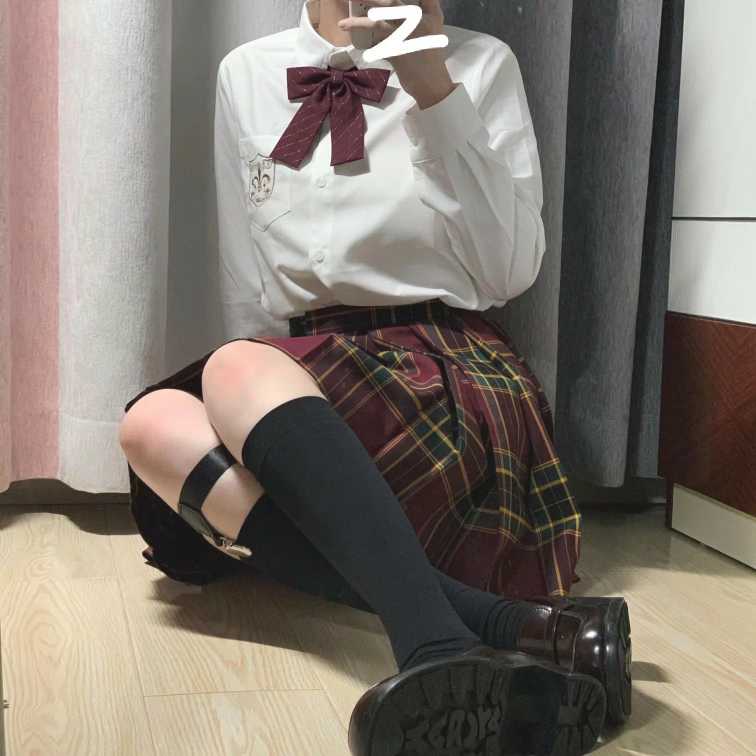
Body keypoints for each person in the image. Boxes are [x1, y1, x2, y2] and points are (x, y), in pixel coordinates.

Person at [118, 1, 631, 752]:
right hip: (301, 381)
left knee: (231, 370)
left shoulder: (481, 62)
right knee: (150, 424)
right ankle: (510, 627)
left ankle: (434, 643)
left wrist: (430, 85)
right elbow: (248, 280)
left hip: (446, 371)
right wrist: (253, 407)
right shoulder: (248, 72)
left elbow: (509, 271)